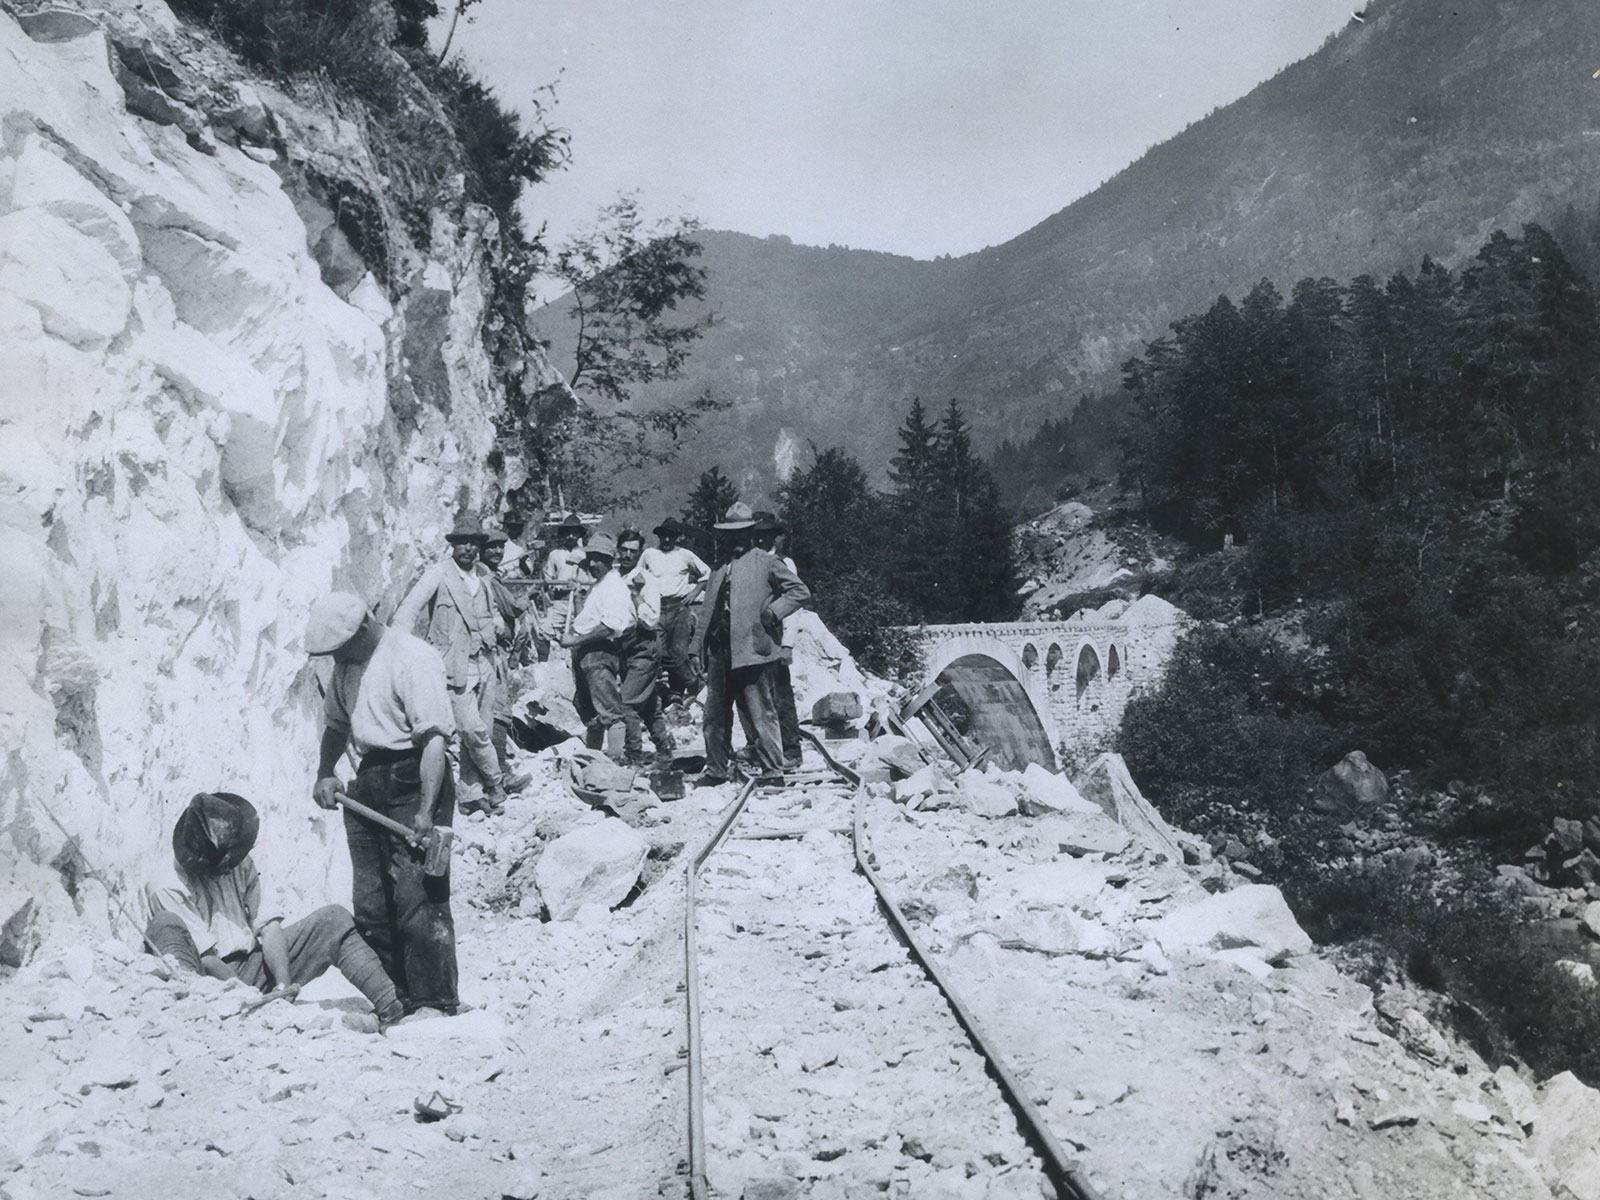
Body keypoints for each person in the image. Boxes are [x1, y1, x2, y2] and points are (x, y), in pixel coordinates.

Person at [307, 591, 461, 1017]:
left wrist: (426, 814)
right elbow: (337, 726)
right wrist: (324, 771)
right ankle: (397, 1000)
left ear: (363, 629)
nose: (336, 659)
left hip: (415, 776)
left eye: (340, 649)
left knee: (417, 896)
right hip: (369, 781)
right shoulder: (346, 667)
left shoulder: (412, 657)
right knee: (372, 902)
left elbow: (433, 740)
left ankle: (435, 1001)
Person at [144, 791, 404, 1028]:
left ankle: (393, 1010)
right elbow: (207, 959)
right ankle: (202, 1025)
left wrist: (283, 985)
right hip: (210, 984)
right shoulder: (167, 884)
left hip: (253, 970)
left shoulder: (239, 863)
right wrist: (249, 997)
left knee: (333, 920)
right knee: (165, 924)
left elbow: (269, 927)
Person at [391, 517, 506, 816]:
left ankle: (470, 796)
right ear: (452, 545)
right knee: (471, 730)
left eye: (474, 543)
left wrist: (497, 625)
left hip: (486, 661)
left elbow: (492, 612)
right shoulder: (438, 574)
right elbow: (408, 610)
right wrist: (402, 649)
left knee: (484, 726)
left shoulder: (483, 576)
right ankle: (497, 782)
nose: (468, 548)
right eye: (462, 543)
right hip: (453, 664)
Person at [690, 502, 810, 784]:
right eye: (730, 535)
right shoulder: (719, 568)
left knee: (760, 712)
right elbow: (707, 611)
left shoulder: (766, 562)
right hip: (720, 651)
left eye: (741, 534)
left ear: (750, 533)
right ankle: (716, 769)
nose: (736, 541)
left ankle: (772, 771)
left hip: (752, 649)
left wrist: (773, 612)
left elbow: (800, 592)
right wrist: (695, 648)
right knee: (714, 715)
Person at [563, 532, 635, 759]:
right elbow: (585, 620)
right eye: (591, 557)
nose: (593, 563)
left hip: (600, 652)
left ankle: (614, 762)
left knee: (609, 711)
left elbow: (609, 626)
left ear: (610, 560)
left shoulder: (615, 586)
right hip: (585, 652)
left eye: (599, 558)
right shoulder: (599, 586)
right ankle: (593, 760)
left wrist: (576, 640)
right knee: (592, 714)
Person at [750, 511, 806, 769]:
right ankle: (761, 748)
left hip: (775, 636)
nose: (761, 540)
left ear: (774, 537)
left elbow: (794, 607)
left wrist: (787, 645)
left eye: (766, 535)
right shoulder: (749, 562)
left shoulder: (784, 563)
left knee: (780, 695)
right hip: (754, 639)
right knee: (757, 696)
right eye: (757, 535)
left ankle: (792, 750)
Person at [617, 528, 675, 767]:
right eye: (624, 550)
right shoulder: (614, 578)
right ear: (618, 550)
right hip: (623, 645)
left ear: (640, 553)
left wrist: (636, 596)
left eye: (633, 551)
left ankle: (634, 757)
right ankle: (665, 750)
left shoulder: (648, 581)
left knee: (627, 703)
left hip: (644, 645)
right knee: (649, 705)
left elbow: (651, 620)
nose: (628, 555)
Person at [481, 529, 533, 790]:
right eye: (491, 547)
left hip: (492, 651)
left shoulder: (486, 576)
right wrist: (528, 593)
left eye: (501, 548)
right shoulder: (488, 578)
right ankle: (501, 774)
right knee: (499, 711)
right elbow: (512, 607)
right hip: (492, 654)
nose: (497, 552)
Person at [640, 517, 710, 708]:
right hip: (657, 606)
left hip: (680, 606)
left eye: (671, 536)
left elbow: (707, 573)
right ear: (659, 536)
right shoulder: (649, 554)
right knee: (659, 651)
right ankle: (694, 684)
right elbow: (638, 575)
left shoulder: (685, 555)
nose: (667, 540)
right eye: (664, 536)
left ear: (677, 537)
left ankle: (675, 694)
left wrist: (694, 592)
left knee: (679, 651)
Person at [540, 513, 589, 646]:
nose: (571, 536)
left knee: (579, 635)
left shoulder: (585, 554)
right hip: (560, 601)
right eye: (568, 533)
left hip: (580, 602)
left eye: (574, 533)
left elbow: (590, 579)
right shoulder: (555, 554)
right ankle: (544, 665)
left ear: (579, 535)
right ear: (563, 535)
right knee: (544, 632)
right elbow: (548, 579)